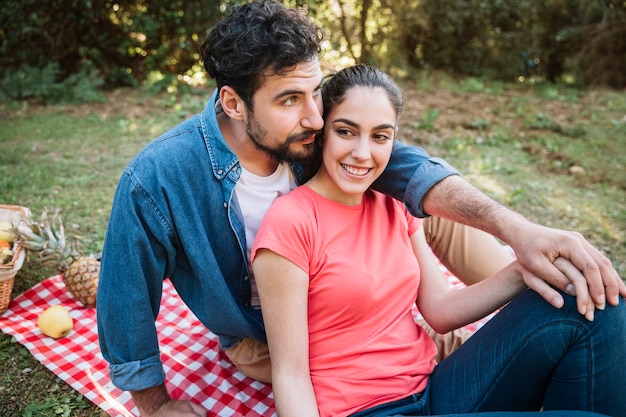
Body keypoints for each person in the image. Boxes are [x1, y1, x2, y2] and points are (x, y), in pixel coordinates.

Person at [96, 1, 626, 416]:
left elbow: (406, 167)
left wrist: (520, 235)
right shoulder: (160, 181)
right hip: (271, 335)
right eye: (289, 100)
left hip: (387, 329)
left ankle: (528, 310)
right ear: (233, 102)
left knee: (435, 210)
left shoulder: (317, 134)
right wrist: (156, 404)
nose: (315, 117)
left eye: (315, 93)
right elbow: (125, 300)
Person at [252, 63, 626, 417]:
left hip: (434, 391)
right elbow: (290, 375)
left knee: (594, 302)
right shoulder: (292, 221)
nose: (362, 153)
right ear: (322, 134)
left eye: (380, 136)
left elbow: (440, 310)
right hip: (364, 410)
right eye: (346, 131)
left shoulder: (391, 202)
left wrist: (525, 268)